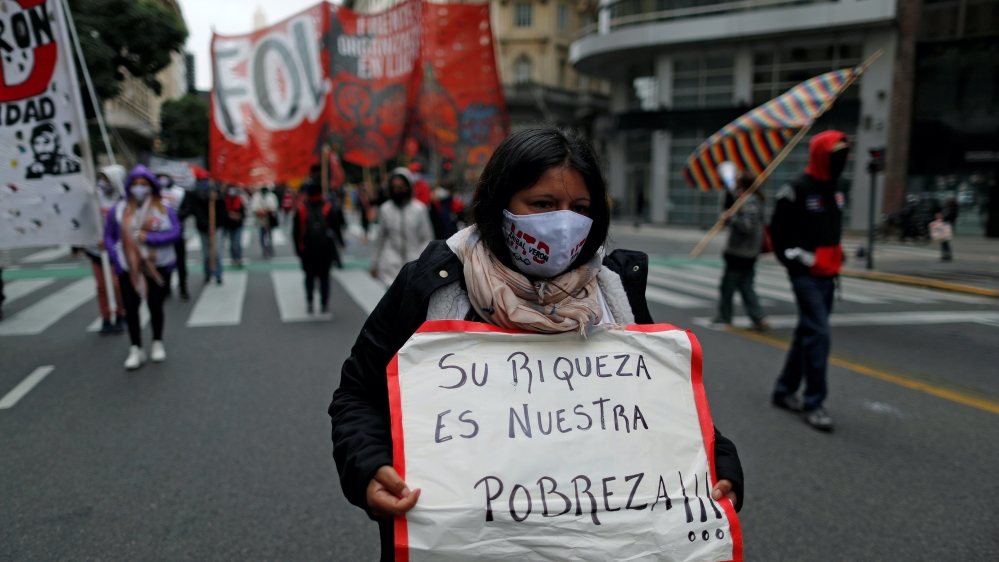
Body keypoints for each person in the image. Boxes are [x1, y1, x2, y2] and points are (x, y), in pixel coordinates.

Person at [329, 127, 743, 560]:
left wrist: (721, 465)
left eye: (579, 208)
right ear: (500, 203)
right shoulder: (432, 285)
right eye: (543, 204)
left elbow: (667, 407)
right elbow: (358, 394)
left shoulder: (614, 292)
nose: (564, 223)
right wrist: (369, 466)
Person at [769, 130, 850, 431]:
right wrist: (794, 261)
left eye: (844, 154)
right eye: (835, 154)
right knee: (819, 334)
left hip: (830, 274)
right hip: (805, 275)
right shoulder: (796, 188)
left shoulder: (839, 186)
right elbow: (777, 231)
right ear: (820, 155)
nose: (842, 160)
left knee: (808, 332)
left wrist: (837, 255)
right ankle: (814, 403)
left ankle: (784, 390)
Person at [104, 165, 181, 370]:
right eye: (135, 184)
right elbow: (109, 236)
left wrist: (149, 238)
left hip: (156, 266)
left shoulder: (163, 208)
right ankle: (135, 348)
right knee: (131, 307)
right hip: (128, 267)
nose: (139, 188)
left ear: (151, 186)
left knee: (155, 305)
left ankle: (157, 342)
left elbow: (175, 232)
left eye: (144, 184)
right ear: (129, 186)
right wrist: (116, 257)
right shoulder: (119, 209)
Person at [712, 173, 769, 330]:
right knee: (745, 285)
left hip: (741, 252)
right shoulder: (743, 199)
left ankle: (726, 316)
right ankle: (758, 317)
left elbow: (747, 226)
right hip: (745, 252)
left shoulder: (749, 201)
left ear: (743, 183)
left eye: (737, 180)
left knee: (728, 286)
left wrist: (730, 219)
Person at [369, 168, 433, 285]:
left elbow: (427, 238)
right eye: (394, 187)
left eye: (401, 186)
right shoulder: (385, 210)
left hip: (414, 267)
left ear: (408, 187)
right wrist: (375, 264)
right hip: (389, 269)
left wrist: (422, 260)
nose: (398, 190)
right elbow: (380, 239)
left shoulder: (420, 209)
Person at [83, 165, 128, 334]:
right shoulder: (95, 196)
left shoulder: (123, 200)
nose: (103, 182)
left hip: (115, 250)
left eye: (106, 178)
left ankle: (121, 313)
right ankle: (106, 317)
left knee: (117, 285)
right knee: (101, 286)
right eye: (101, 178)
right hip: (96, 250)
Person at [293, 178, 342, 313]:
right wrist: (341, 242)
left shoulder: (301, 208)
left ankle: (309, 301)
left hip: (307, 248)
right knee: (324, 276)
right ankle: (324, 302)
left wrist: (297, 249)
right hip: (325, 248)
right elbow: (336, 227)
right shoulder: (328, 207)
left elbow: (296, 231)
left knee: (309, 276)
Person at [182, 172, 225, 284]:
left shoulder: (216, 192)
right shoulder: (194, 194)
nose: (204, 182)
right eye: (202, 180)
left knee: (216, 252)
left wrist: (217, 198)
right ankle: (208, 273)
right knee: (206, 253)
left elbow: (222, 210)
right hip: (203, 228)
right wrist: (207, 226)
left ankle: (218, 273)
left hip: (217, 227)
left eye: (206, 180)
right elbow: (196, 212)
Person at [157, 173, 190, 300]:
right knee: (165, 262)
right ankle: (166, 288)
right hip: (162, 234)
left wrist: (175, 216)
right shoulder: (154, 193)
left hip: (177, 232)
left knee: (181, 262)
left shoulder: (179, 192)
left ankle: (183, 288)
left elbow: (187, 209)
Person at [251, 184, 279, 258]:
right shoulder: (256, 196)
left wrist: (266, 211)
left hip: (269, 219)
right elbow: (254, 208)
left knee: (270, 234)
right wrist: (261, 212)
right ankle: (264, 249)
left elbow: (274, 207)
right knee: (262, 234)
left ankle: (270, 247)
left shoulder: (272, 196)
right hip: (261, 219)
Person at [222, 185, 246, 266]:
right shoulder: (225, 200)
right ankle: (233, 258)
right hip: (229, 225)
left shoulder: (239, 200)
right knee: (232, 243)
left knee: (238, 242)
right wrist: (229, 215)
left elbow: (243, 214)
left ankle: (239, 258)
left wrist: (238, 216)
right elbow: (223, 213)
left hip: (238, 225)